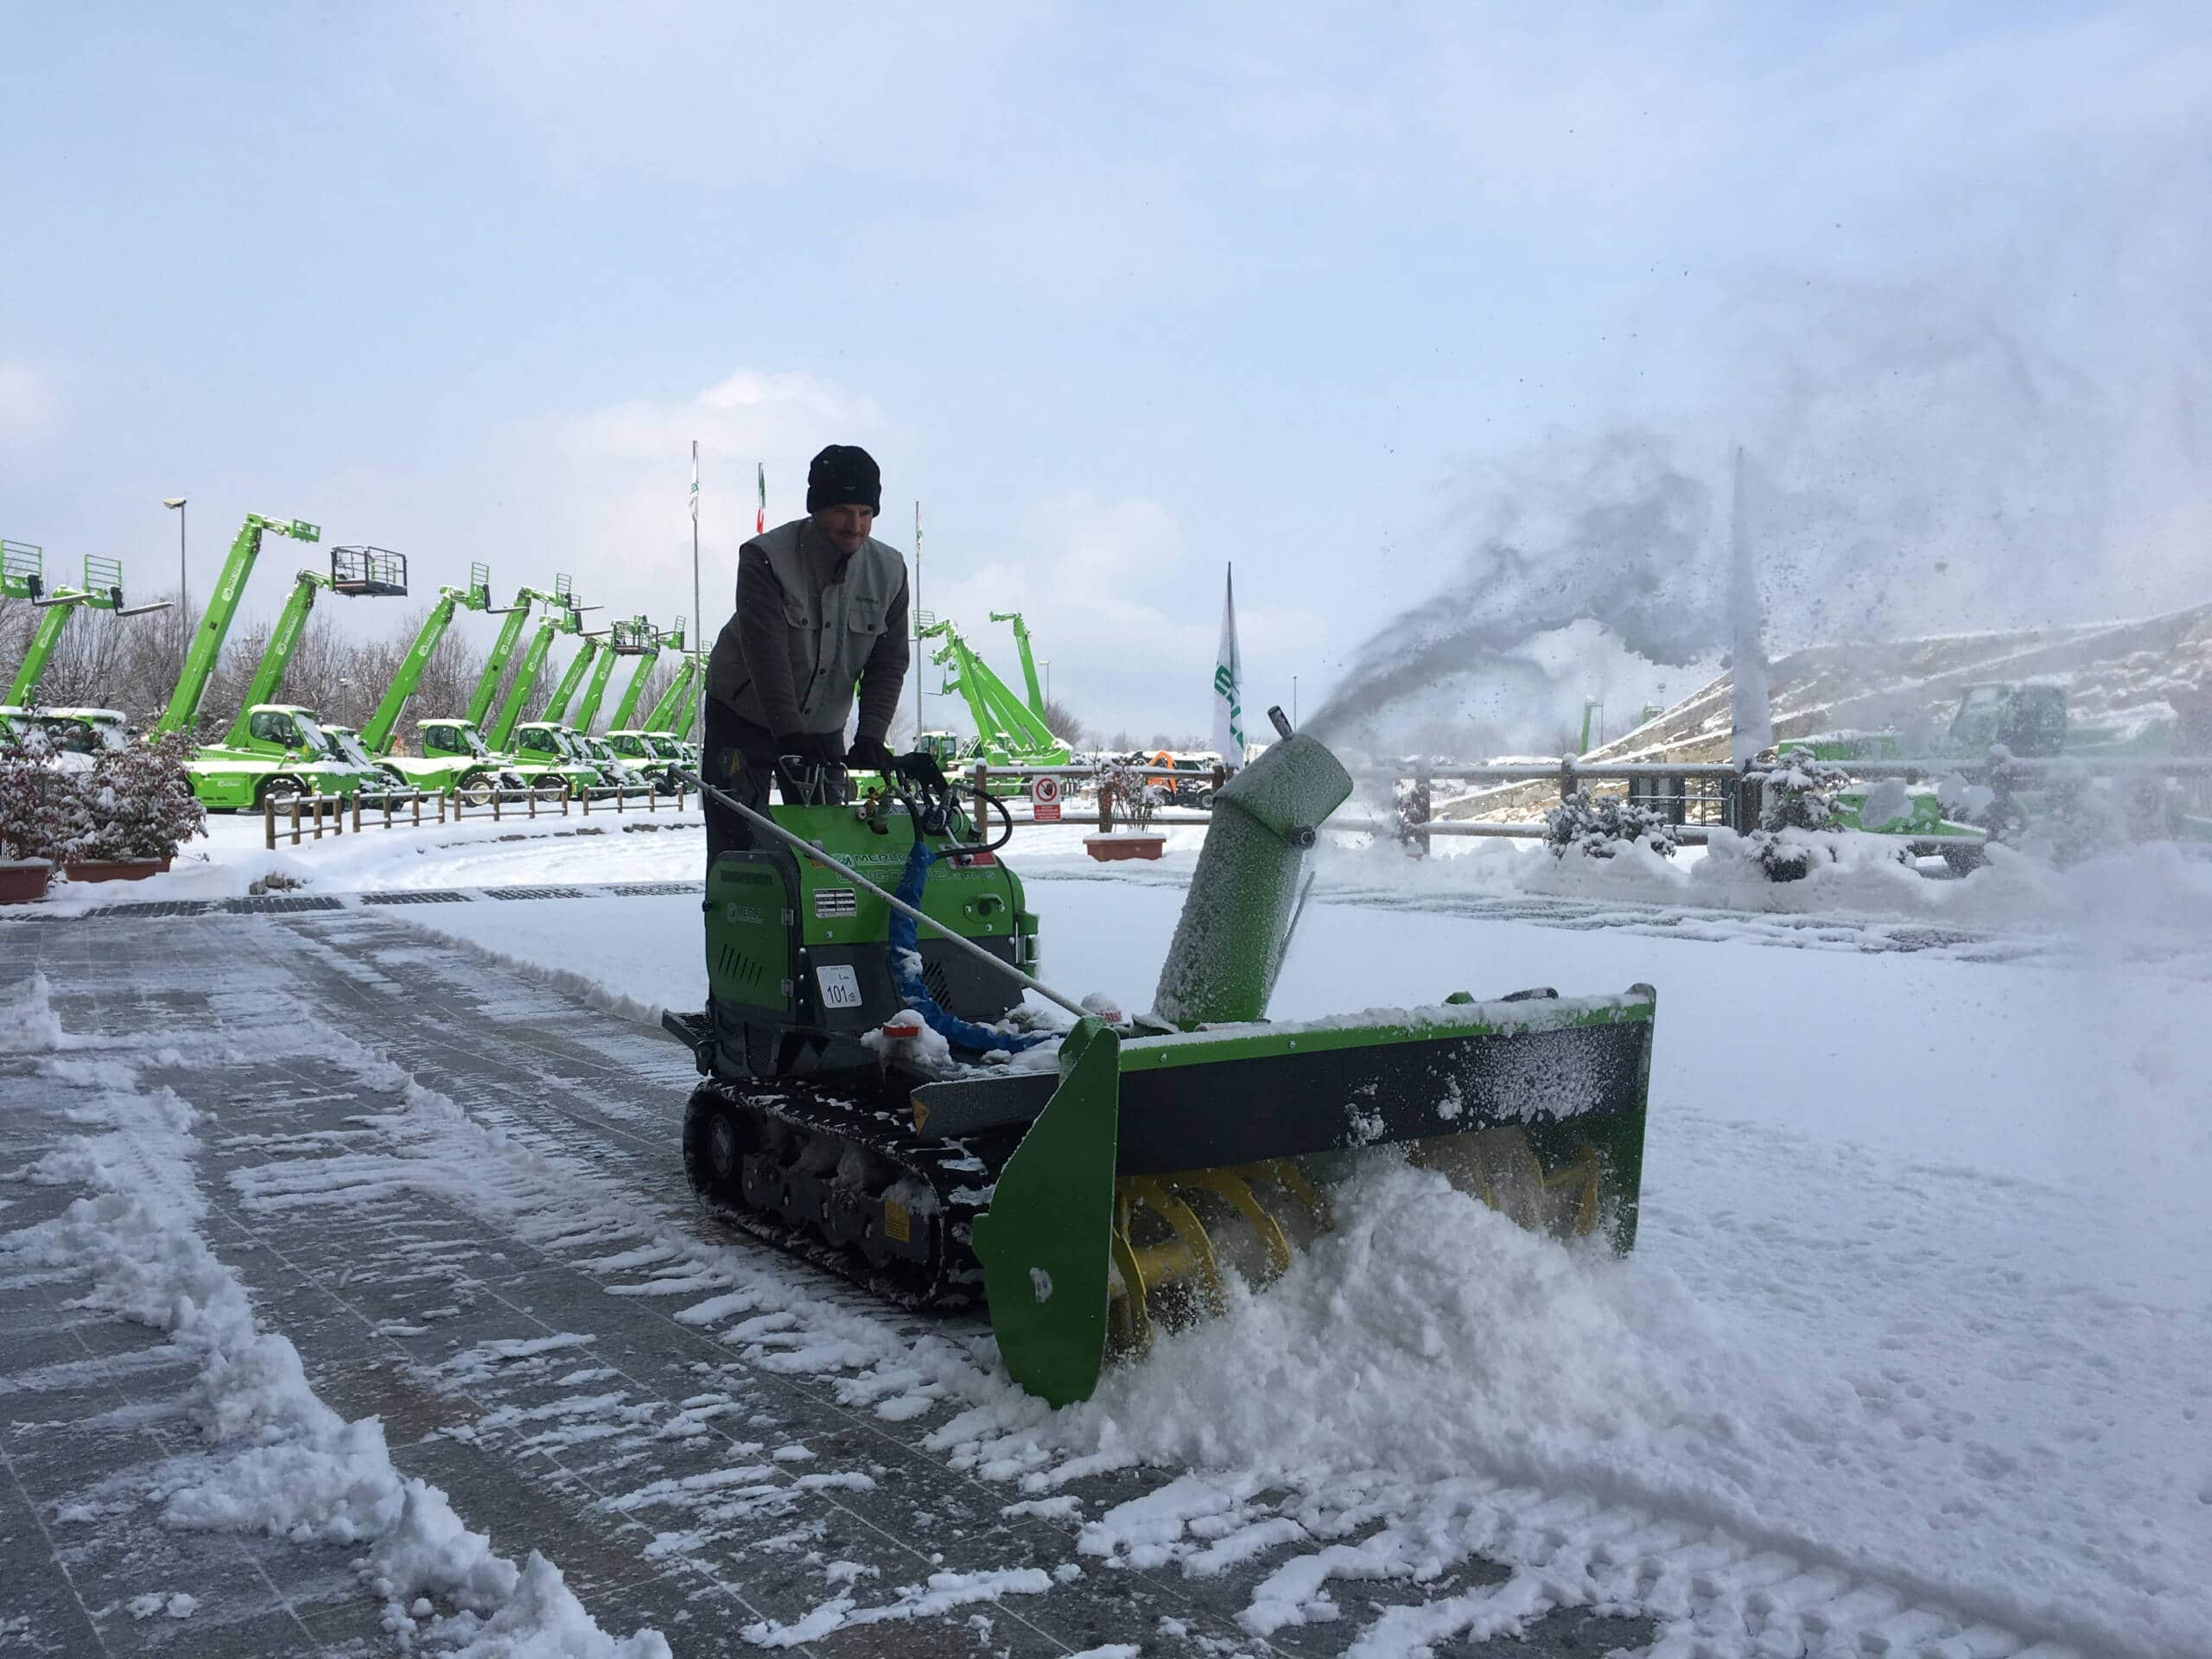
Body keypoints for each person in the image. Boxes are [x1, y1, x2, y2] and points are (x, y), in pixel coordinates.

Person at [702, 444, 910, 864]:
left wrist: (871, 735)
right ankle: (738, 924)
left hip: (823, 726)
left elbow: (888, 662)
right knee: (737, 845)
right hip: (744, 715)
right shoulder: (764, 558)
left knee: (828, 850)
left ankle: (821, 928)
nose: (855, 526)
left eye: (866, 513)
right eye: (842, 511)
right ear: (816, 509)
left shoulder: (890, 571)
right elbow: (767, 653)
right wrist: (789, 733)